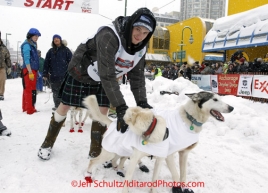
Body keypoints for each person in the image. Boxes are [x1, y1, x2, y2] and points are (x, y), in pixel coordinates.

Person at [37, 8, 156, 160]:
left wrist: (142, 102)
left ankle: (95, 150)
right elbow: (107, 74)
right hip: (81, 71)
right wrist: (120, 107)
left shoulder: (140, 49)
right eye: (138, 29)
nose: (140, 36)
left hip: (103, 78)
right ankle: (48, 142)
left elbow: (137, 78)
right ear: (131, 24)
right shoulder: (109, 35)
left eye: (146, 33)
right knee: (65, 106)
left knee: (102, 111)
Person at [43, 35, 72, 110]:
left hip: (64, 75)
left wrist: (72, 72)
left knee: (64, 91)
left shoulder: (66, 50)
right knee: (55, 91)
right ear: (53, 41)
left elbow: (71, 62)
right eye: (54, 39)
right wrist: (45, 73)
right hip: (54, 75)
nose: (56, 40)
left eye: (57, 38)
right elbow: (46, 63)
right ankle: (57, 105)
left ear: (60, 40)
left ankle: (64, 106)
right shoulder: (50, 51)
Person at [21, 28, 41, 114]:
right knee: (29, 89)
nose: (37, 37)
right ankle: (29, 109)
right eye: (35, 36)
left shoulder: (33, 44)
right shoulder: (27, 45)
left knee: (29, 89)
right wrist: (29, 71)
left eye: (37, 36)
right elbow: (27, 59)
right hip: (29, 69)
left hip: (33, 69)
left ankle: (26, 107)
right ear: (30, 36)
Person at [0, 35, 12, 101]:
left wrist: (9, 66)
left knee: (2, 81)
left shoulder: (4, 48)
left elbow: (7, 58)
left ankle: (1, 94)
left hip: (2, 67)